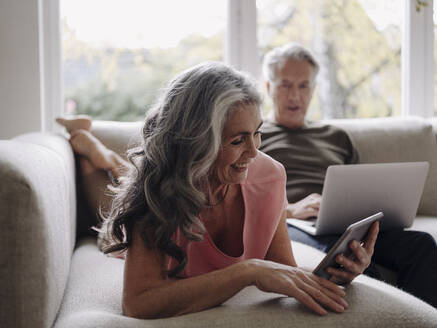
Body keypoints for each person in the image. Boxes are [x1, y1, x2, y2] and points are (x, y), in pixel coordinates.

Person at [56, 62, 379, 319]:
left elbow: (283, 268)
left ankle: (102, 155)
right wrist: (246, 272)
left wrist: (336, 273)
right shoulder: (156, 188)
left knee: (126, 183)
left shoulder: (269, 176)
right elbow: (138, 303)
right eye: (237, 140)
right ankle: (89, 151)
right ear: (197, 142)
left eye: (257, 134)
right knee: (109, 219)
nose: (253, 153)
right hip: (140, 210)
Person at [259, 42, 437, 308]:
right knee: (352, 267)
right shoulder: (257, 136)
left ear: (313, 89)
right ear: (269, 87)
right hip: (292, 224)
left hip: (344, 222)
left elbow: (359, 185)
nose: (294, 95)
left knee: (421, 244)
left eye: (303, 85)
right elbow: (245, 201)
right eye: (285, 85)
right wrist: (290, 210)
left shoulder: (336, 136)